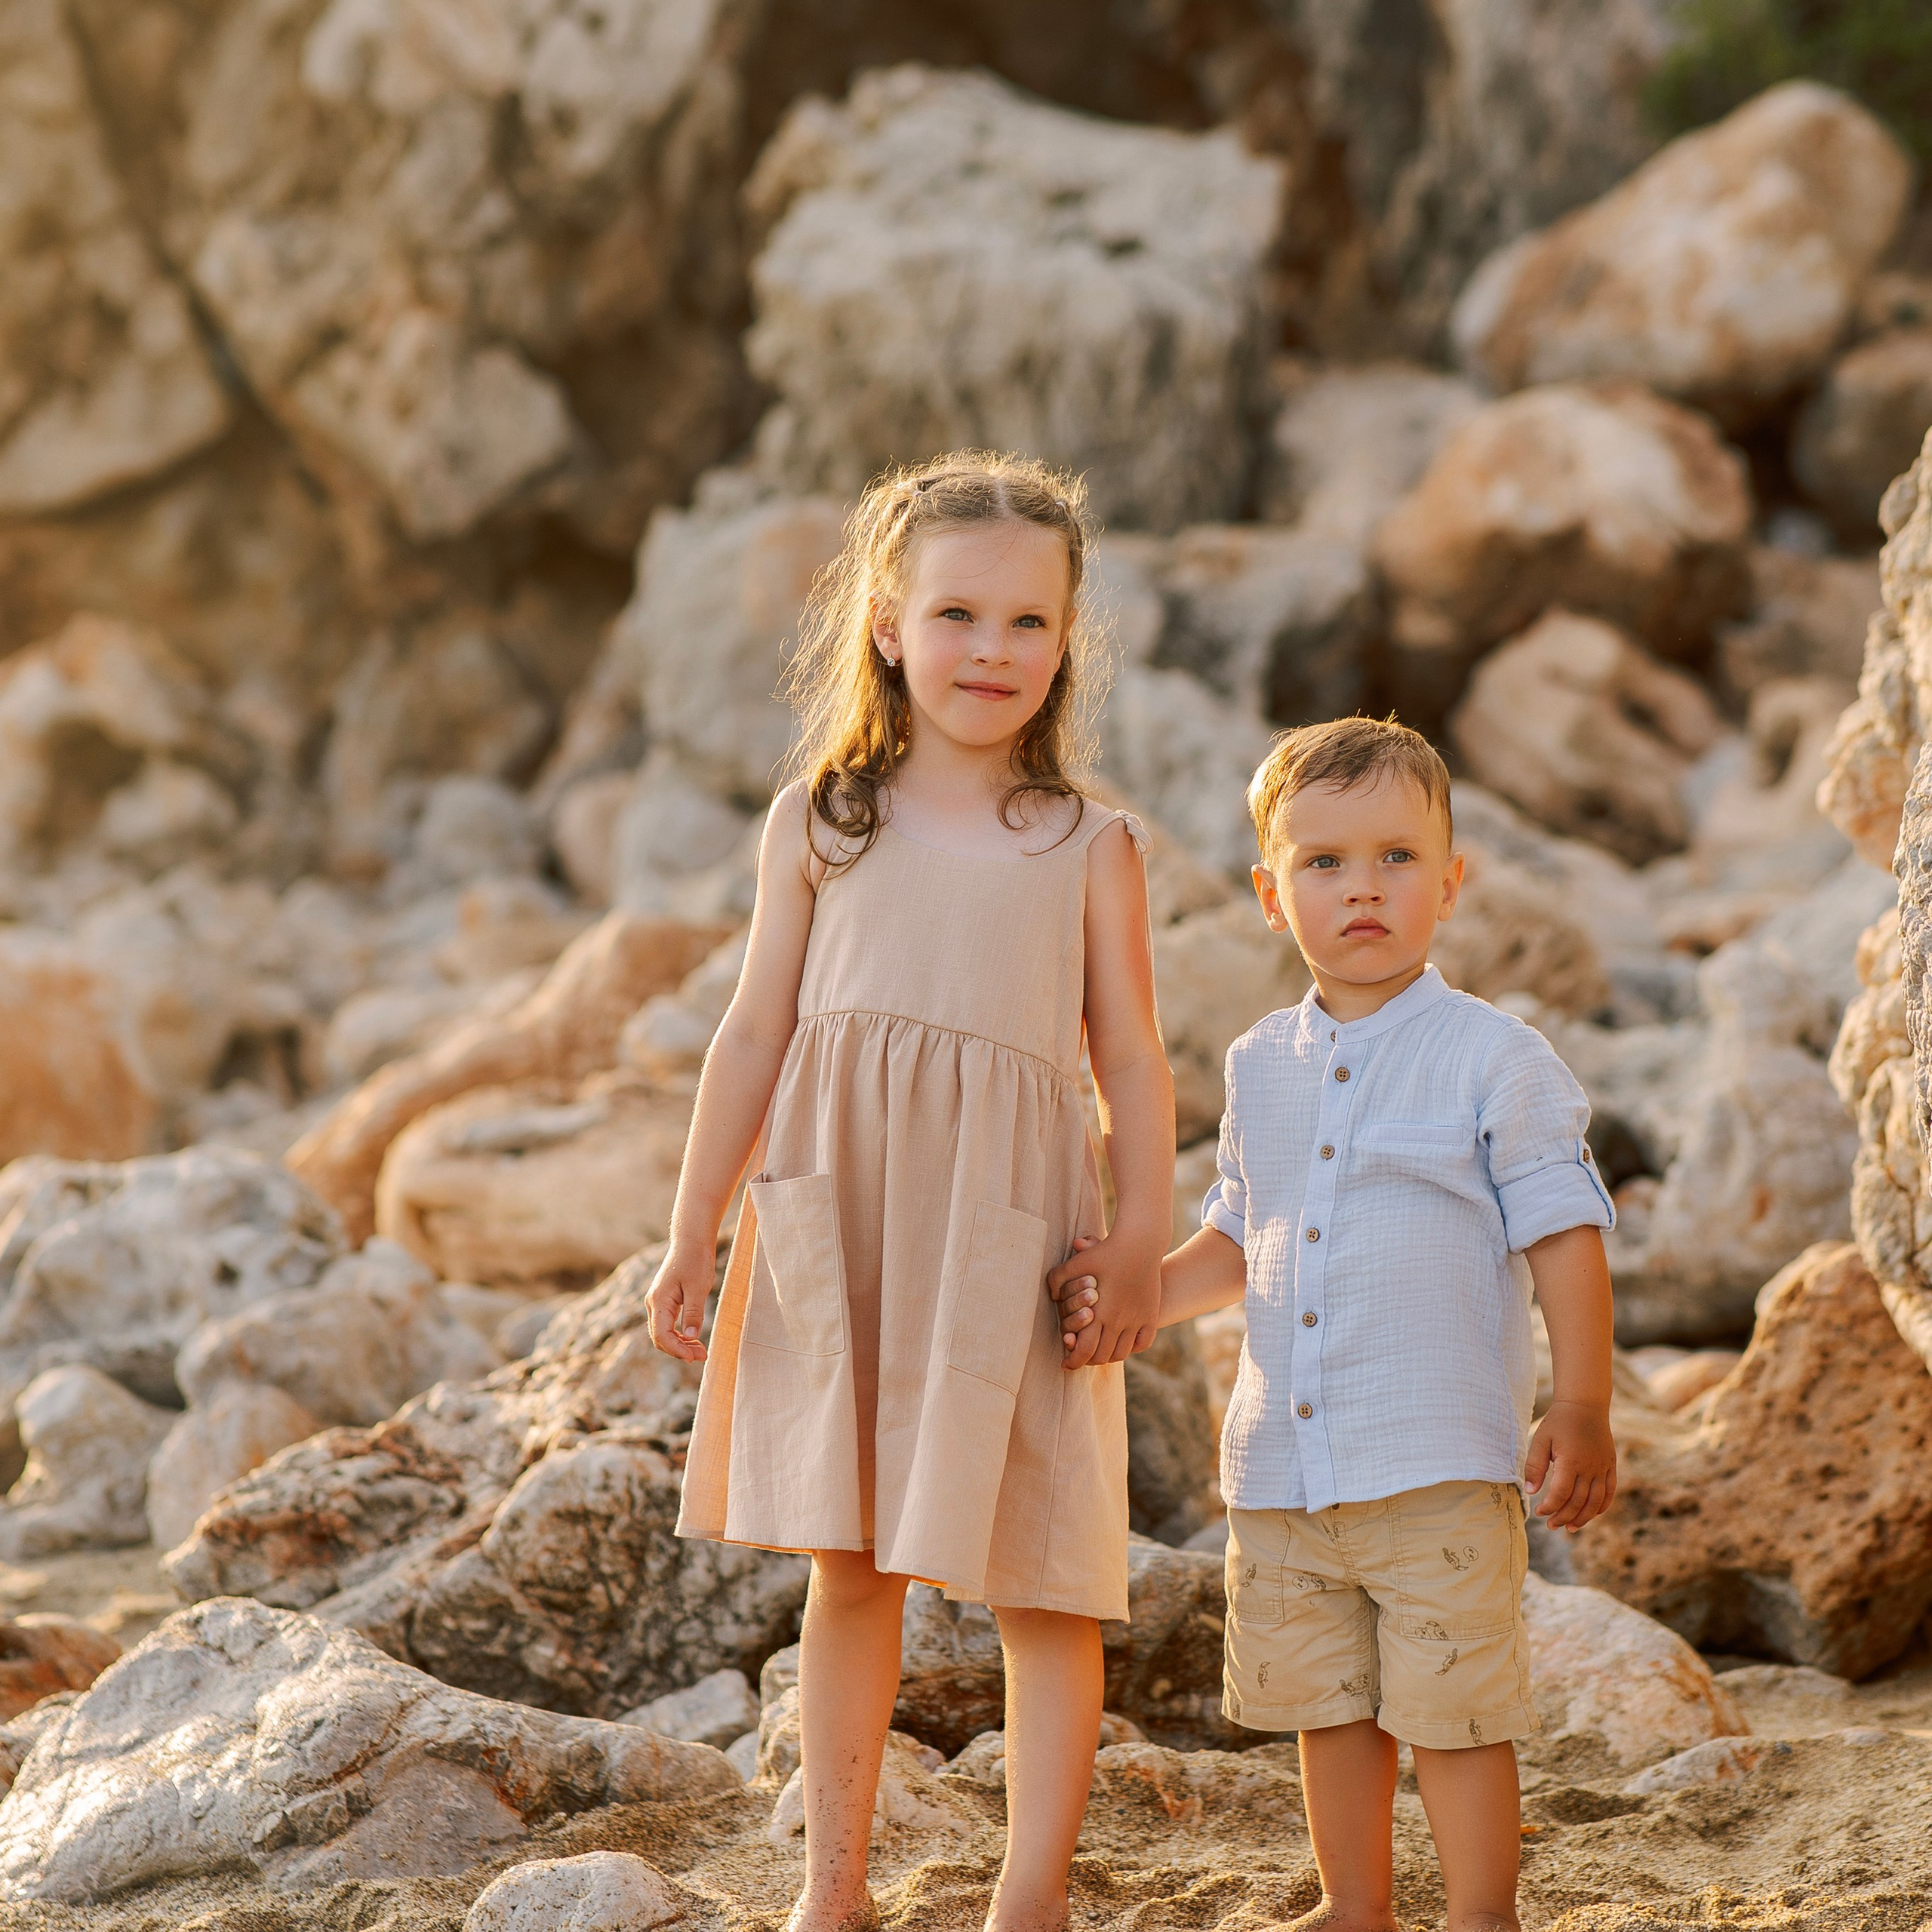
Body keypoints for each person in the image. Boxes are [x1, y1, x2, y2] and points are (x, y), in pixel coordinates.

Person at [648, 451, 1174, 1932]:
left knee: (1047, 1570)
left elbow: (1130, 1059)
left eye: (1025, 622)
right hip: (849, 1207)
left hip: (1011, 1230)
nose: (990, 650)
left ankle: (1031, 1894)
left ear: (1066, 640)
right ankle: (835, 1885)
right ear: (885, 621)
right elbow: (752, 1029)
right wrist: (692, 1223)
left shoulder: (1087, 844)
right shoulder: (823, 819)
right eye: (956, 614)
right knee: (850, 1557)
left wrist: (1138, 1237)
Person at [1054, 716, 1617, 1932]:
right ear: (1270, 894)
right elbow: (1239, 1233)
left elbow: (1565, 1232)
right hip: (1285, 1468)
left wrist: (1580, 1402)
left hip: (1434, 1464)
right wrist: (1143, 1283)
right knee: (1329, 1704)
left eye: (1398, 859)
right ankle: (1356, 1904)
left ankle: (1481, 1913)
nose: (1363, 887)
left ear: (1451, 881)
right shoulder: (1263, 1062)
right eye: (1324, 863)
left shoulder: (1494, 1059)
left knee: (1458, 1710)